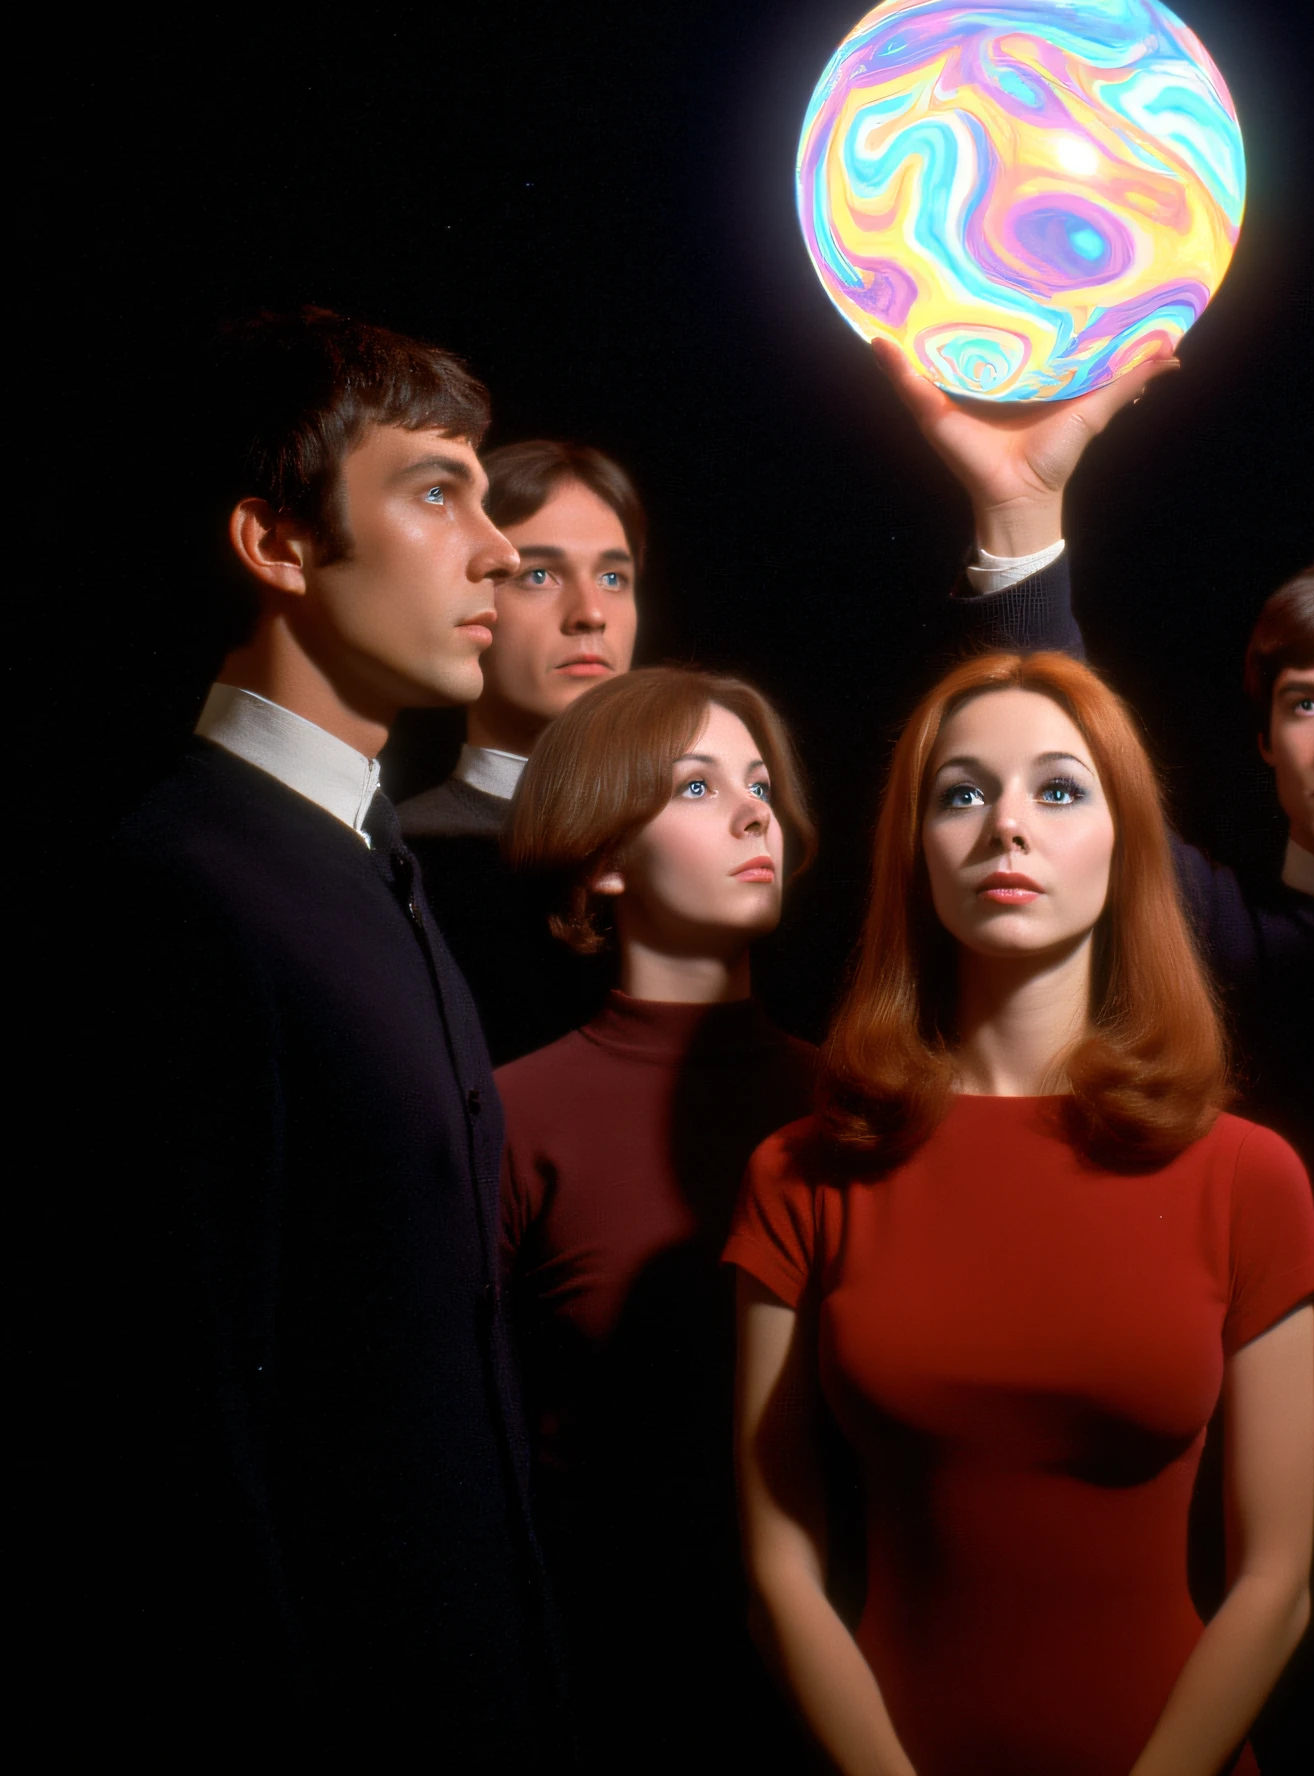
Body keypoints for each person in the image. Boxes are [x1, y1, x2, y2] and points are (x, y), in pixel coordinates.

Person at [726, 651, 1314, 1776]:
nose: (1006, 825)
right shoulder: (801, 1173)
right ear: (913, 847)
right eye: (961, 791)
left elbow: (1276, 1581)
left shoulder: (1247, 1175)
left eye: (1058, 789)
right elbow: (777, 1568)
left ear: (1124, 840)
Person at [108, 307, 565, 1766]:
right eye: (439, 491)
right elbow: (182, 1426)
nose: (498, 548)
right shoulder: (180, 887)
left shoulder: (370, 862)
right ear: (280, 545)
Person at [495, 666, 821, 1768]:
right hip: (610, 1691)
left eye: (760, 783)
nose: (750, 812)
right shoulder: (507, 1116)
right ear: (601, 858)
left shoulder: (865, 1104)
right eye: (694, 787)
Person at [402, 438, 647, 1059]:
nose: (591, 613)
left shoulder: (700, 832)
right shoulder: (399, 854)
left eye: (614, 577)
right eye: (539, 575)